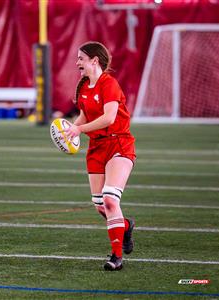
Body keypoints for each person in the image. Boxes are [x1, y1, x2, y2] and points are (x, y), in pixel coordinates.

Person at [63, 41, 135, 271]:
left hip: (119, 143)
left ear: (95, 60)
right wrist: (70, 131)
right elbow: (84, 116)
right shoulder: (84, 86)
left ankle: (116, 257)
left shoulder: (109, 84)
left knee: (111, 199)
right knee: (100, 206)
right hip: (96, 148)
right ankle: (125, 225)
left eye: (81, 59)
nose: (77, 63)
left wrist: (79, 130)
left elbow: (109, 118)